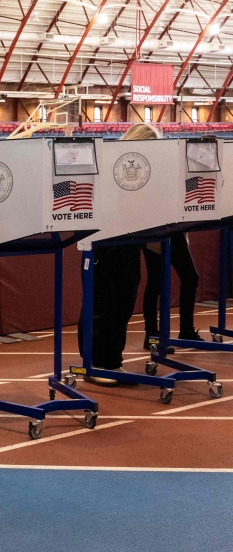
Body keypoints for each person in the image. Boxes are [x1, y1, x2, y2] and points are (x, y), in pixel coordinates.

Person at [80, 122, 159, 385]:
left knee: (124, 303)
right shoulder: (111, 163)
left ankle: (113, 361)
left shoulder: (143, 172)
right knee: (102, 304)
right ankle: (94, 363)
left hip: (130, 242)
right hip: (104, 242)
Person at [142, 236, 202, 348]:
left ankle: (186, 331)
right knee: (155, 284)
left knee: (190, 277)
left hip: (177, 234)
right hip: (155, 236)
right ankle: (151, 336)